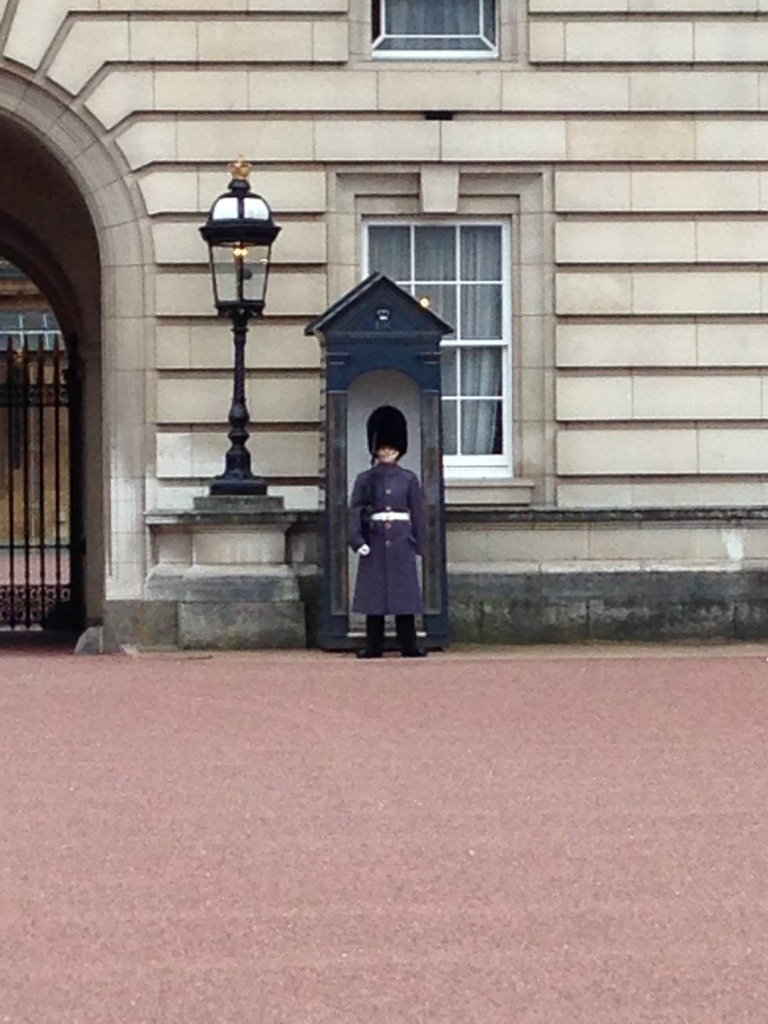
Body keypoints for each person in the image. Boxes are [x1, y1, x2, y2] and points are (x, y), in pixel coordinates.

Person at [349, 405, 427, 659]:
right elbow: (355, 509)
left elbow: (418, 511)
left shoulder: (408, 479)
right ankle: (373, 645)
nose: (387, 452)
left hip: (401, 539)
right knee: (375, 598)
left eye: (391, 449)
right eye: (383, 449)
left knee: (404, 597)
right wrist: (357, 539)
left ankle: (409, 644)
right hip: (375, 538)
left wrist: (419, 541)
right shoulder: (366, 479)